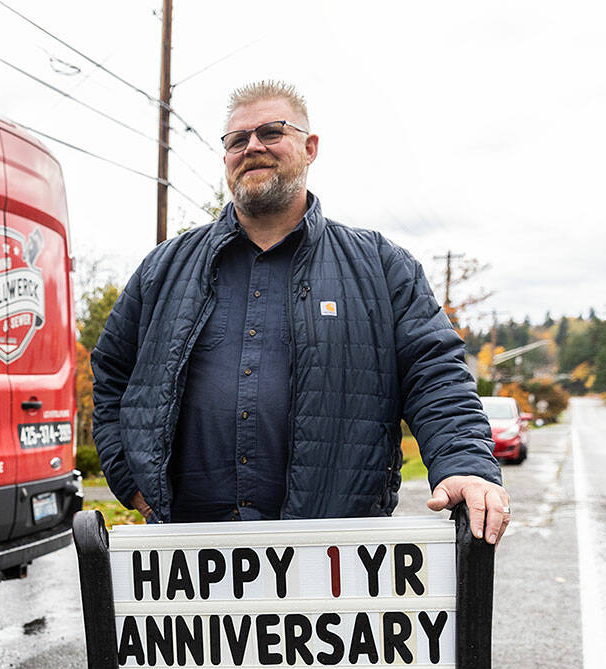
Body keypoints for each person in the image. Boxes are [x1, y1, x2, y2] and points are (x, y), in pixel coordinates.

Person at [91, 80, 510, 543]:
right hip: (189, 558)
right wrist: (132, 483)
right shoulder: (163, 270)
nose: (252, 147)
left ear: (310, 148)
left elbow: (436, 376)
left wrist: (465, 466)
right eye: (236, 140)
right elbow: (111, 375)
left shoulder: (382, 267)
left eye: (271, 132)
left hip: (333, 558)